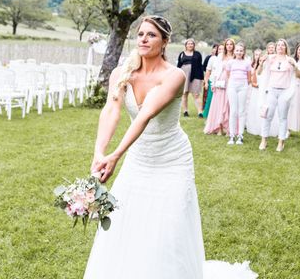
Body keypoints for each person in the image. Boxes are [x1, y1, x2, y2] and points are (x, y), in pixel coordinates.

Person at [84, 16, 256, 279]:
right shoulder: (121, 73)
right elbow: (111, 110)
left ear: (165, 41)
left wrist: (116, 154)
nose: (143, 39)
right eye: (140, 34)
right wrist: (99, 153)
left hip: (172, 160)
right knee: (125, 223)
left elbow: (145, 115)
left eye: (151, 35)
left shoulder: (174, 76)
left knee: (168, 227)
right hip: (139, 159)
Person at [257, 39, 300, 152]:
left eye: (283, 45)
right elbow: (259, 72)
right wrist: (261, 63)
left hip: (284, 92)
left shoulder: (290, 60)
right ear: (276, 47)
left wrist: (295, 67)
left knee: (282, 117)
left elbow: (299, 75)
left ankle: (281, 142)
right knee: (267, 116)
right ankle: (264, 140)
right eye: (279, 45)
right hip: (271, 91)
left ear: (286, 48)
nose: (280, 47)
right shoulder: (270, 59)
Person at [203, 38, 234, 135]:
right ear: (225, 46)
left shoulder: (235, 56)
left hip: (231, 82)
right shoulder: (221, 56)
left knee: (228, 105)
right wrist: (213, 83)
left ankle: (228, 129)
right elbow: (216, 71)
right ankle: (219, 128)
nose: (229, 46)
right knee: (219, 105)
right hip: (220, 81)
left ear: (233, 46)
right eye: (227, 44)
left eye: (231, 44)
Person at [222, 42, 251, 145]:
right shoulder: (230, 62)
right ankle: (232, 135)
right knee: (233, 111)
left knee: (241, 111)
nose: (239, 52)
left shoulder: (247, 63)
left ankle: (240, 135)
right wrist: (233, 84)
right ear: (234, 51)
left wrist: (243, 85)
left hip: (243, 86)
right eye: (237, 50)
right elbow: (228, 75)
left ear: (244, 52)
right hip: (232, 86)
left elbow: (248, 77)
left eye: (241, 51)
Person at [176, 38, 204, 117]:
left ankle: (200, 112)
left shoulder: (197, 54)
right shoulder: (182, 54)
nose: (190, 45)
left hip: (195, 76)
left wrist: (202, 78)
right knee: (184, 93)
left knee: (196, 94)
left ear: (194, 45)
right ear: (186, 45)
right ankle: (185, 111)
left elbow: (200, 66)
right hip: (184, 75)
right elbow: (178, 65)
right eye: (188, 43)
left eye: (192, 44)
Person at [202, 44, 221, 118]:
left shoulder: (227, 59)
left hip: (223, 83)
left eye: (222, 49)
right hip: (212, 81)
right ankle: (208, 116)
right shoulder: (213, 58)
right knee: (210, 99)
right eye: (219, 49)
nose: (221, 51)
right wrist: (206, 82)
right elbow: (208, 71)